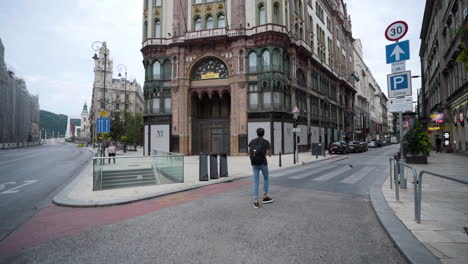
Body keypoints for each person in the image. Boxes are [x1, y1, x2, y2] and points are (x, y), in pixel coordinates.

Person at [248, 127, 273, 208]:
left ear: (257, 133)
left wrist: (253, 159)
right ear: (263, 133)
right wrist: (266, 153)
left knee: (256, 182)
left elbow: (249, 153)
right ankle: (265, 197)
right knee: (266, 178)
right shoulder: (266, 142)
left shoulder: (252, 141)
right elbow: (269, 154)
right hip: (263, 163)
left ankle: (256, 201)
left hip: (254, 164)